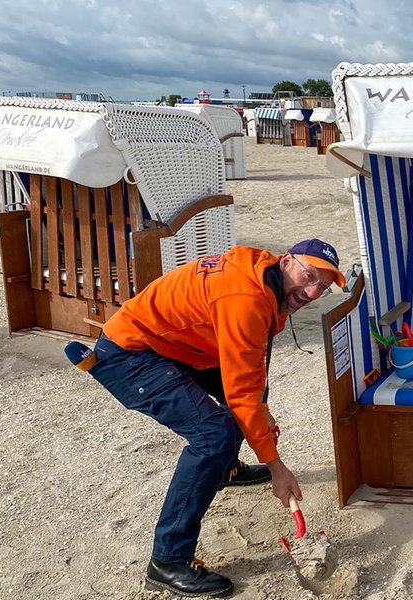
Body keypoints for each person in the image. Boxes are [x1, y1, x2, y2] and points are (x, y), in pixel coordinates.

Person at [83, 239, 345, 596]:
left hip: (173, 347)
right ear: (286, 261)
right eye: (310, 275)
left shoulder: (269, 281)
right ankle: (168, 560)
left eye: (323, 287)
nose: (312, 291)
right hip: (130, 354)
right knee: (213, 435)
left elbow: (250, 379)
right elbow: (239, 394)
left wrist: (261, 410)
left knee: (252, 400)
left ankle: (224, 469)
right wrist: (276, 467)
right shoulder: (246, 298)